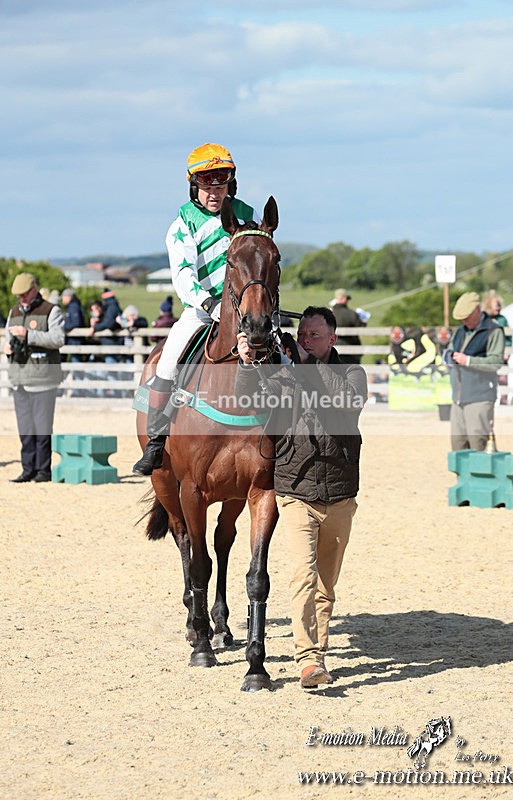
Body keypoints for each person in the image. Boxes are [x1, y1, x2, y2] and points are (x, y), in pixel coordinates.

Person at [236, 306, 367, 688]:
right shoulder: (287, 376)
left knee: (326, 585)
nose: (306, 341)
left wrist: (306, 368)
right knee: (303, 575)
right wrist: (247, 364)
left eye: (314, 335)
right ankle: (307, 660)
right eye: (302, 335)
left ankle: (318, 655)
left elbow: (345, 401)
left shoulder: (353, 374)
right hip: (296, 492)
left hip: (340, 493)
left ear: (333, 339)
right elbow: (250, 400)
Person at [133, 142, 259, 476]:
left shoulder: (248, 215)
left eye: (220, 185)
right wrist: (209, 303)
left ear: (230, 184)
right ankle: (157, 440)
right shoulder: (182, 224)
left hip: (247, 309)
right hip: (201, 309)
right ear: (194, 186)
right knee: (167, 362)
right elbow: (183, 274)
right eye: (207, 186)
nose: (214, 193)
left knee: (283, 355)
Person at [3, 273, 65, 482]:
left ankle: (43, 470)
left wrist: (28, 335)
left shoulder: (51, 310)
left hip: (43, 379)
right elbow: (8, 336)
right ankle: (27, 469)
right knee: (25, 428)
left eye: (24, 294)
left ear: (34, 290)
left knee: (42, 427)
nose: (21, 298)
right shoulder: (14, 311)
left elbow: (58, 339)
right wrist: (7, 347)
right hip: (19, 378)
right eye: (18, 295)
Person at [444, 292, 505, 451]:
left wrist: (469, 361)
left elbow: (496, 361)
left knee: (479, 445)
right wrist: (449, 357)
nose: (464, 321)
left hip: (480, 398)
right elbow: (449, 350)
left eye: (467, 317)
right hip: (458, 398)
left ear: (477, 310)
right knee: (458, 447)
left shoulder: (494, 331)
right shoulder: (460, 331)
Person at [87, 289, 123, 396]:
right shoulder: (113, 307)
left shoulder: (111, 308)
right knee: (111, 372)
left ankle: (114, 395)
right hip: (110, 345)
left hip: (111, 345)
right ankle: (114, 394)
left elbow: (108, 322)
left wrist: (95, 327)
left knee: (111, 372)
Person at [330, 289, 366, 364]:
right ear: (344, 299)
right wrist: (364, 322)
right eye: (347, 299)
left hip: (331, 351)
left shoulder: (329, 314)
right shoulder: (352, 314)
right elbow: (361, 327)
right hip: (351, 354)